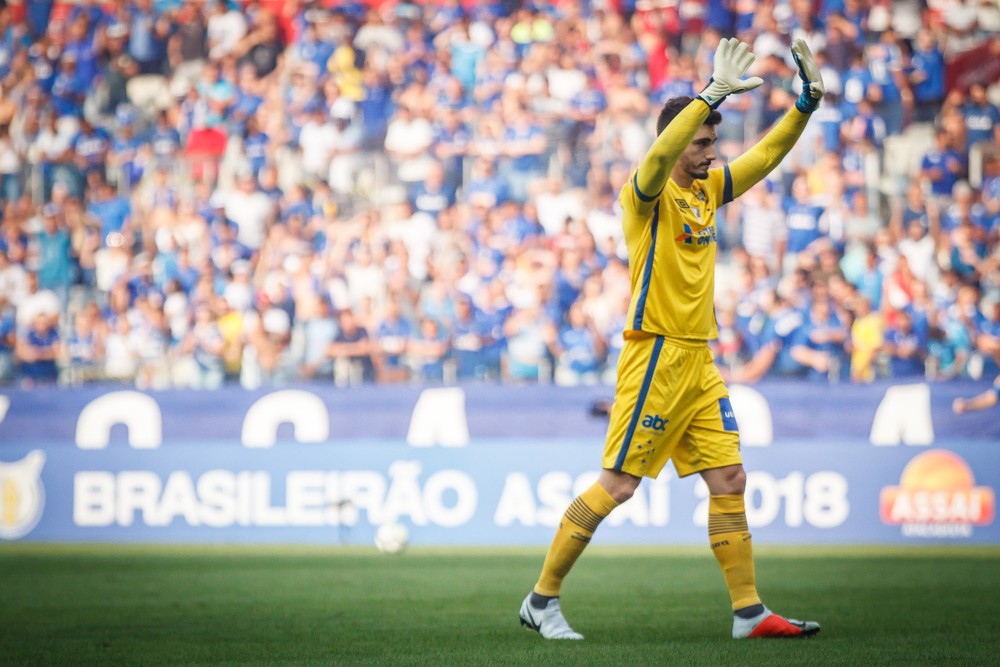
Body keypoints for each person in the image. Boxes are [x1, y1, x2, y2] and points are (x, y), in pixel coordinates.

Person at [519, 38, 824, 641]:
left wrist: (805, 104)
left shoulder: (707, 191)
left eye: (714, 141)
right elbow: (656, 159)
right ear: (678, 139)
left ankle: (748, 613)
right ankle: (541, 599)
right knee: (620, 485)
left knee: (731, 479)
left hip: (698, 360)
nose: (713, 152)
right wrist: (709, 93)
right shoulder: (644, 194)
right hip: (654, 353)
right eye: (704, 141)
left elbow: (763, 159)